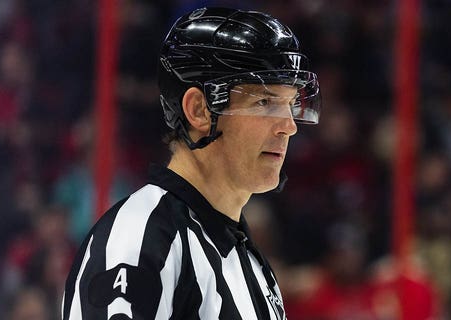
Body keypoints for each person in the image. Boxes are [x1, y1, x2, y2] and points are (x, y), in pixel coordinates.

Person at [61, 7, 321, 320]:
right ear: (198, 110)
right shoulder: (139, 238)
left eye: (290, 104)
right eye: (263, 102)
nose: (288, 126)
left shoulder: (251, 264)